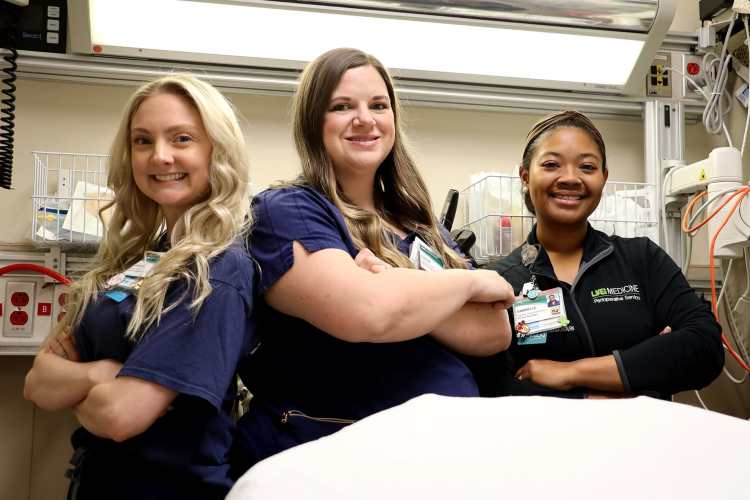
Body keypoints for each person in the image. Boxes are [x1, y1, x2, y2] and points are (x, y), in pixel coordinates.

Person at [233, 47, 515, 470]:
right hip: (332, 456)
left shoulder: (419, 222)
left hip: (441, 451)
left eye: (378, 105)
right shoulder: (287, 211)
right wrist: (470, 285)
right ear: (314, 122)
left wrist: (394, 283)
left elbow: (494, 331)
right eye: (342, 106)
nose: (364, 119)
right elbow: (367, 313)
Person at [23, 74, 257, 500]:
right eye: (143, 141)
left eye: (182, 138)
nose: (160, 156)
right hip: (98, 481)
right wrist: (100, 374)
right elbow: (38, 382)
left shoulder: (215, 271)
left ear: (217, 151)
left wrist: (83, 383)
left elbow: (118, 415)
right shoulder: (138, 258)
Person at [469, 110, 723, 399]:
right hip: (546, 440)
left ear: (603, 178)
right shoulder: (501, 282)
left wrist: (571, 372)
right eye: (552, 164)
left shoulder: (641, 259)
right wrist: (620, 389)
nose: (570, 178)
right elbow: (494, 385)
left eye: (587, 167)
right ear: (526, 176)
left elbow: (705, 346)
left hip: (645, 436)